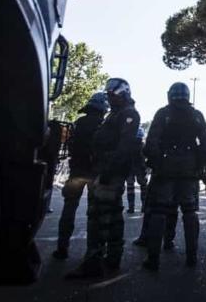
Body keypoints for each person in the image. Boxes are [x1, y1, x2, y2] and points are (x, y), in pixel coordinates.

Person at [66, 78, 140, 278]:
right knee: (112, 215)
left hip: (109, 173)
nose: (108, 97)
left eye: (111, 94)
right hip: (104, 169)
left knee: (98, 217)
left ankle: (93, 263)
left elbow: (124, 146)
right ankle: (112, 257)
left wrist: (108, 171)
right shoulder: (116, 113)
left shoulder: (128, 114)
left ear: (122, 94)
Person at [142, 82, 206, 271]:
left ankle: (153, 258)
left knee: (159, 211)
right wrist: (198, 166)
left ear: (170, 95)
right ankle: (192, 256)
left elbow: (151, 143)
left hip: (165, 169)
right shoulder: (197, 115)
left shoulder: (163, 113)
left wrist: (156, 164)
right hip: (189, 170)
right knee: (190, 212)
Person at [53, 92, 108, 260]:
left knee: (69, 208)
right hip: (94, 174)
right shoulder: (104, 125)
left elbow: (68, 144)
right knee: (95, 213)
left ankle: (62, 247)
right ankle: (92, 251)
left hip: (76, 171)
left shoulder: (78, 123)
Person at [125, 127, 148, 213]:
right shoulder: (142, 145)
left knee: (130, 187)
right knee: (143, 186)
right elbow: (146, 155)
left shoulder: (128, 145)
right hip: (141, 167)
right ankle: (144, 206)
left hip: (130, 167)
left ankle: (131, 207)